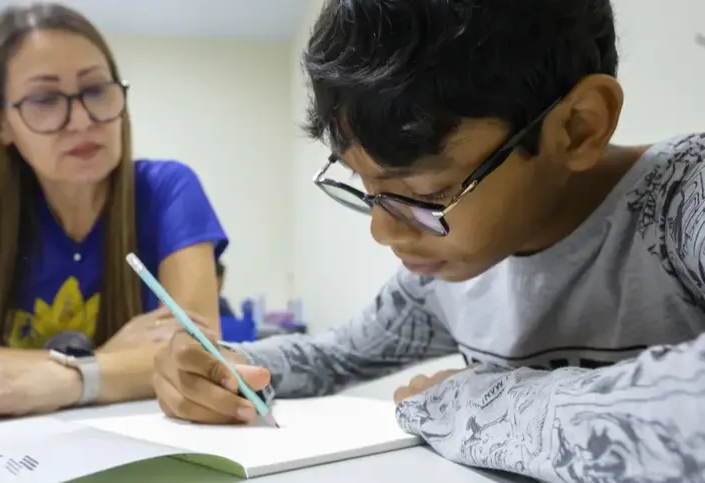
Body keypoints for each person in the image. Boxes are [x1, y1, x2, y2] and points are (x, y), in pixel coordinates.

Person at [151, 0, 705, 481]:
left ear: (578, 127)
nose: (383, 230)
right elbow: (334, 356)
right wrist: (222, 367)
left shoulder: (686, 196)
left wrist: (470, 404)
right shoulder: (447, 270)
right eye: (368, 190)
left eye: (426, 193)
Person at [0, 2, 228, 436]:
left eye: (95, 89)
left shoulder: (169, 189)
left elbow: (198, 354)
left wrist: (58, 377)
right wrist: (93, 362)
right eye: (45, 99)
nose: (82, 120)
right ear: (0, 123)